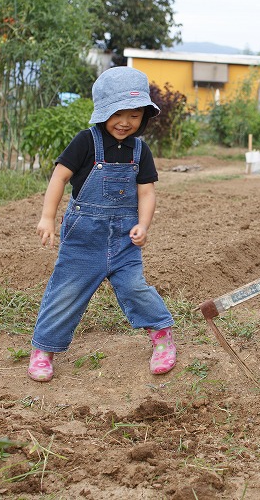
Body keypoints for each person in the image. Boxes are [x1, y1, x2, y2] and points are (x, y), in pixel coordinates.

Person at [28, 66, 177, 382]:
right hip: (83, 240)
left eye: (134, 115)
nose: (125, 122)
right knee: (65, 291)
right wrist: (47, 217)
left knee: (135, 287)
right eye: (118, 114)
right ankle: (44, 350)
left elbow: (147, 192)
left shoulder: (140, 150)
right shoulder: (86, 142)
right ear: (103, 112)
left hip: (124, 240)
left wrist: (144, 225)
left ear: (143, 117)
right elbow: (59, 177)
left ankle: (162, 337)